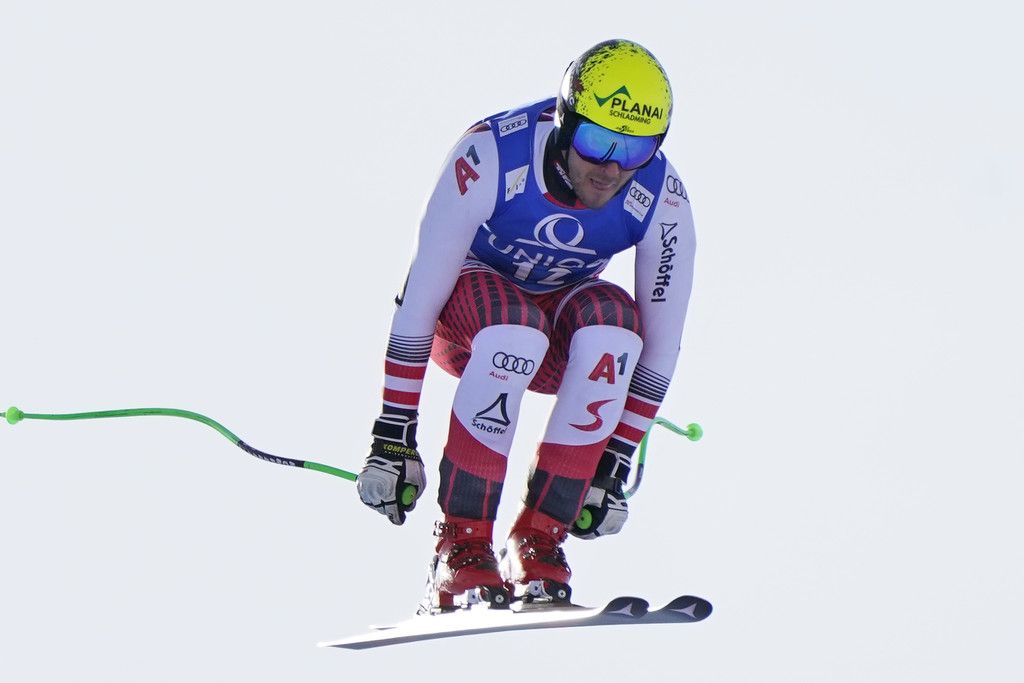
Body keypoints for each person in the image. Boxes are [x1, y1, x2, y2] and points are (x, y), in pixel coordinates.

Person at [356, 38, 696, 611]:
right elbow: (417, 304)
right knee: (516, 328)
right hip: (466, 325)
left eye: (636, 148)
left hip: (553, 339)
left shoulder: (661, 195)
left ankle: (537, 539)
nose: (612, 167)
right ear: (565, 121)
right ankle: (460, 546)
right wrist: (392, 434)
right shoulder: (492, 154)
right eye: (597, 141)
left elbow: (661, 348)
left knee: (616, 326)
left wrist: (614, 461)